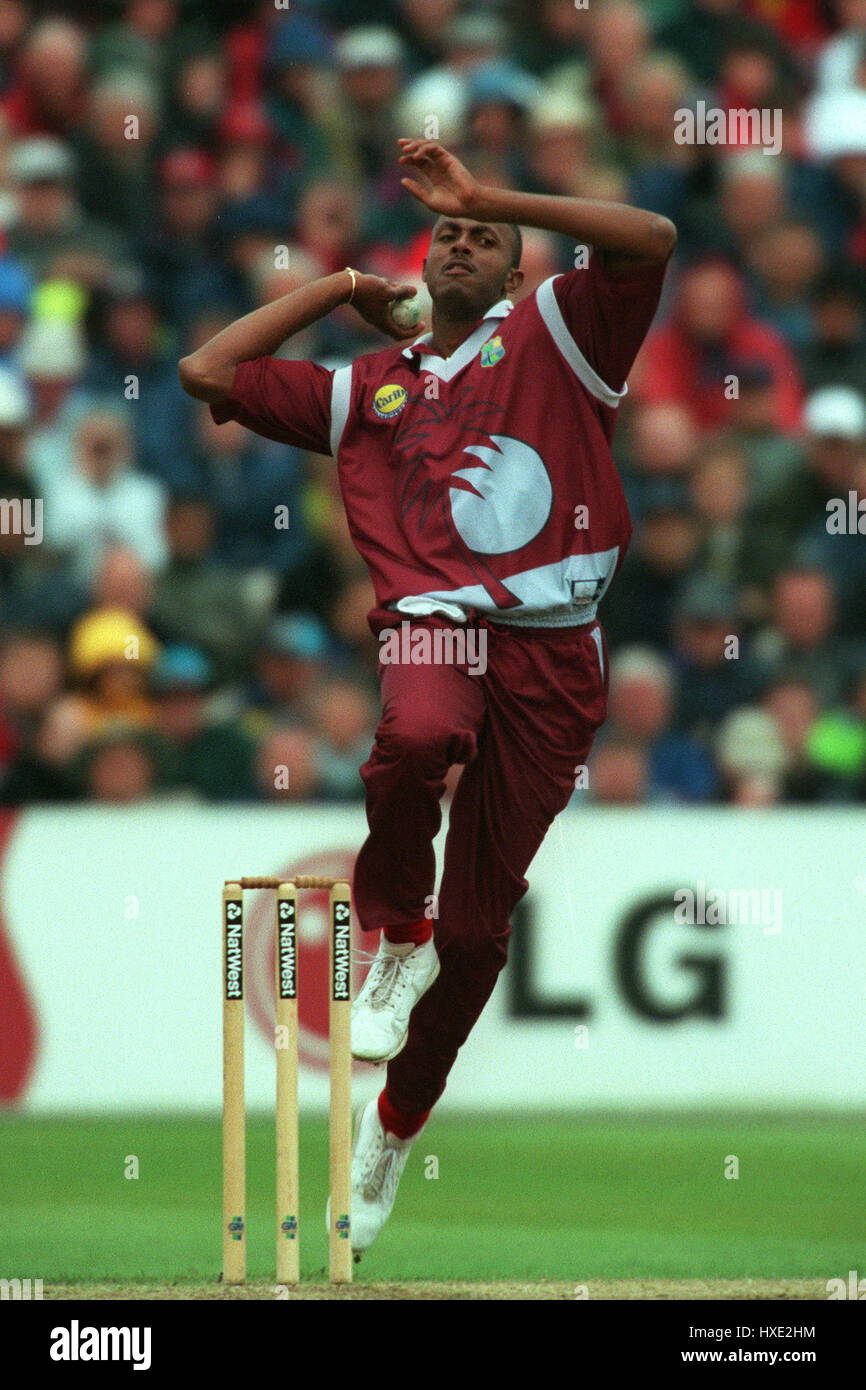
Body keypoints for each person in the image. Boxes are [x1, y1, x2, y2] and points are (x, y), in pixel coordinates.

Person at [179, 138, 675, 1256]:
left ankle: (394, 1123)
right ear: (420, 266)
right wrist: (347, 288)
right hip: (436, 626)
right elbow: (205, 373)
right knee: (412, 737)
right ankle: (390, 930)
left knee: (482, 931)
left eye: (482, 239)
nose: (459, 238)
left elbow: (653, 239)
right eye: (444, 229)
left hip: (554, 655)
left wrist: (485, 193)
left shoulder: (560, 329)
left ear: (510, 273)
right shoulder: (371, 388)